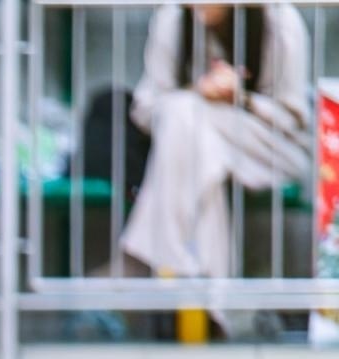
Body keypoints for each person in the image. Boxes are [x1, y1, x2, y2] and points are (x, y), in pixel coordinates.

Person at [121, 3, 310, 336]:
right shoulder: (172, 18)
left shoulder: (279, 20)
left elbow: (293, 118)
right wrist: (199, 92)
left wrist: (241, 99)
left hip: (268, 147)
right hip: (195, 148)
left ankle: (149, 267)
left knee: (186, 119)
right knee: (188, 125)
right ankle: (214, 306)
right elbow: (145, 109)